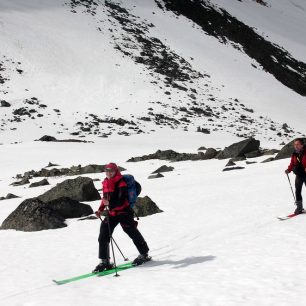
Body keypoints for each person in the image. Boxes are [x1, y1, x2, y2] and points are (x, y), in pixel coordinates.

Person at [93, 163, 150, 272]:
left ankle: (144, 254)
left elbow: (120, 200)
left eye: (111, 171)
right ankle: (104, 261)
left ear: (116, 171)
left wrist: (108, 202)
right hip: (112, 213)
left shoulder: (121, 182)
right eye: (107, 170)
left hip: (124, 212)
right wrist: (100, 210)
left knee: (131, 232)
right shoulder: (105, 182)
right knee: (104, 233)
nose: (109, 173)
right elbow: (105, 199)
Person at [285, 138, 306, 214]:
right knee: (297, 191)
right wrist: (288, 170)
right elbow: (292, 164)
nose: (296, 146)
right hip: (299, 175)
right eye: (295, 144)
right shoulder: (294, 154)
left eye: (297, 144)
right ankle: (299, 208)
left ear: (302, 145)